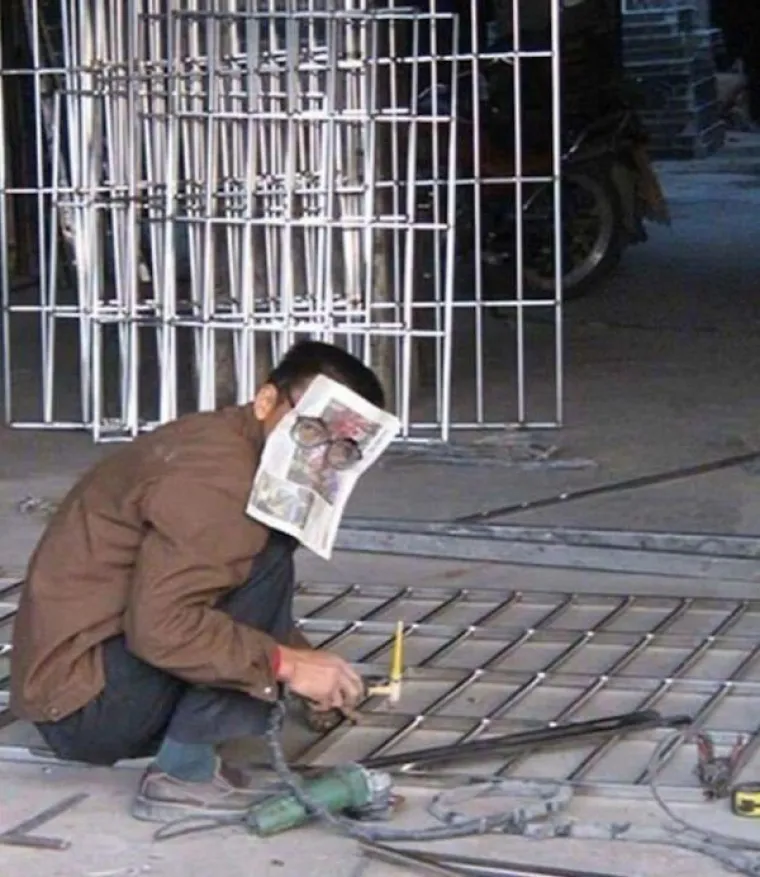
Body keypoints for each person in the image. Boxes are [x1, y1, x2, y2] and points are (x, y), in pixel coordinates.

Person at [10, 340, 388, 824]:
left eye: (342, 448)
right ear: (266, 401)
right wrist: (286, 664)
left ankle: (195, 742)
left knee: (265, 554)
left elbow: (223, 583)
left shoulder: (229, 442)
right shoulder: (219, 479)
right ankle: (183, 775)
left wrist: (308, 666)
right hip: (81, 708)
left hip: (81, 683)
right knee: (265, 557)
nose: (320, 456)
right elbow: (162, 626)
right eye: (311, 430)